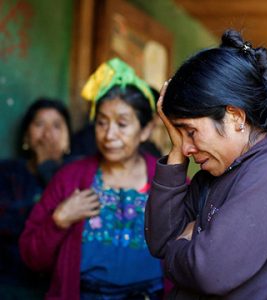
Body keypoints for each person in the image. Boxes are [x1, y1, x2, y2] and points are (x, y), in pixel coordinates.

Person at [145, 29, 267, 299]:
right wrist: (177, 150)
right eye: (178, 134)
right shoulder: (221, 168)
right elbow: (160, 240)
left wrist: (180, 244)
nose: (188, 147)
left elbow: (209, 272)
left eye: (190, 131)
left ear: (234, 117)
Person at [20, 58, 164, 299]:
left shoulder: (166, 181)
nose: (109, 134)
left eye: (122, 124)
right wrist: (59, 221)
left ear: (146, 130)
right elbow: (31, 256)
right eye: (101, 123)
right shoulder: (70, 178)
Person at [0, 98, 72, 299]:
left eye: (57, 126)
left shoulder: (78, 174)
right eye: (39, 124)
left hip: (59, 282)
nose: (48, 134)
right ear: (26, 136)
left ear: (68, 138)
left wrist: (47, 168)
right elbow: (13, 226)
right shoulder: (7, 173)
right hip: (11, 280)